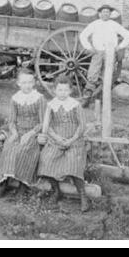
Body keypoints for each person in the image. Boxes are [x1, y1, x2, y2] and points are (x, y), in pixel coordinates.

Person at [37, 77, 90, 212]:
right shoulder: (51, 105)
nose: (62, 92)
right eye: (59, 90)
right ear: (55, 90)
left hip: (74, 141)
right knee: (45, 160)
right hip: (56, 140)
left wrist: (71, 140)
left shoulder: (75, 105)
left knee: (73, 163)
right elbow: (47, 126)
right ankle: (56, 190)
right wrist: (57, 139)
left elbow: (82, 125)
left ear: (70, 91)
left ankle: (83, 195)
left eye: (65, 90)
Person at [0, 71, 47, 198]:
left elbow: (43, 121)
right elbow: (11, 120)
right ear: (18, 84)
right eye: (24, 82)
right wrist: (15, 133)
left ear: (34, 83)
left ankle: (23, 185)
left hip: (33, 132)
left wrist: (30, 134)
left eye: (29, 82)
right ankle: (3, 184)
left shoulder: (39, 98)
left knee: (25, 149)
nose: (27, 85)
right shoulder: (15, 98)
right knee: (9, 148)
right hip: (18, 131)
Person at [79, 4, 129, 102]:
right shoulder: (95, 24)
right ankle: (86, 99)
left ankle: (104, 102)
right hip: (97, 52)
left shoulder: (114, 24)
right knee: (92, 74)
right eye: (103, 12)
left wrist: (119, 47)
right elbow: (83, 35)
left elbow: (127, 36)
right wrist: (89, 48)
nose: (105, 14)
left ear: (110, 14)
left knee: (107, 76)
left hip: (110, 54)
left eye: (107, 12)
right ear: (99, 14)